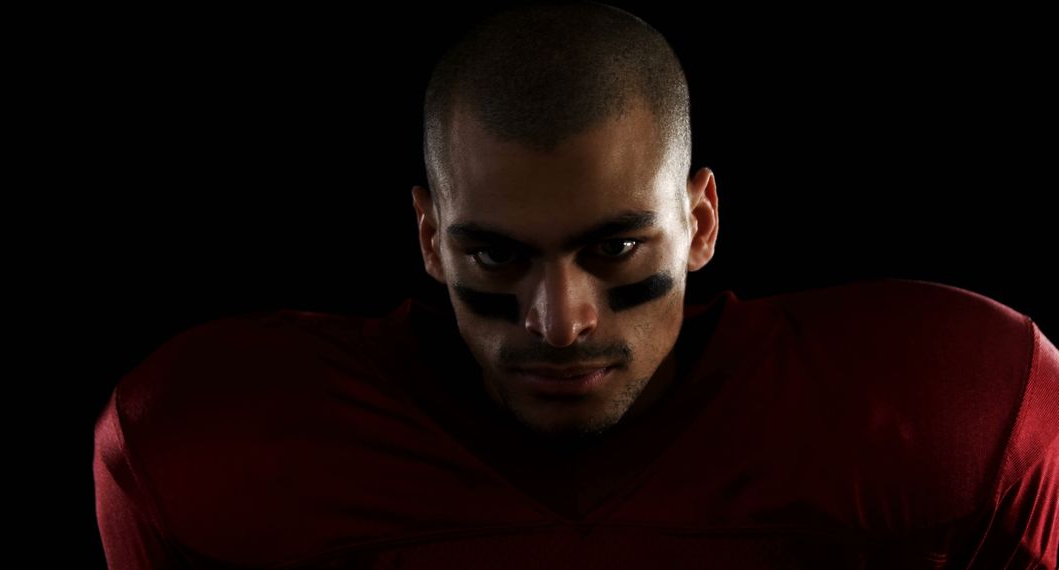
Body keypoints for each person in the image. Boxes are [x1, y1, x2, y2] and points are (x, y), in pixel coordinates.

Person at [93, 2, 1057, 568]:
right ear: (429, 238)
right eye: (495, 257)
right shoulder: (206, 447)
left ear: (701, 222)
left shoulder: (951, 410)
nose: (559, 323)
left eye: (616, 250)